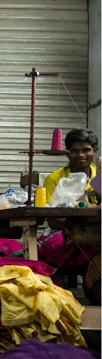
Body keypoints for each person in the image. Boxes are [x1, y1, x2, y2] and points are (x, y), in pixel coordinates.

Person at [39, 128, 100, 304]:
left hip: (93, 236)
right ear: (67, 153)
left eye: (86, 150)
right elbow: (52, 220)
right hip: (63, 234)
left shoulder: (101, 177)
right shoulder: (55, 179)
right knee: (93, 253)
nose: (81, 155)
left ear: (94, 151)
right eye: (75, 150)